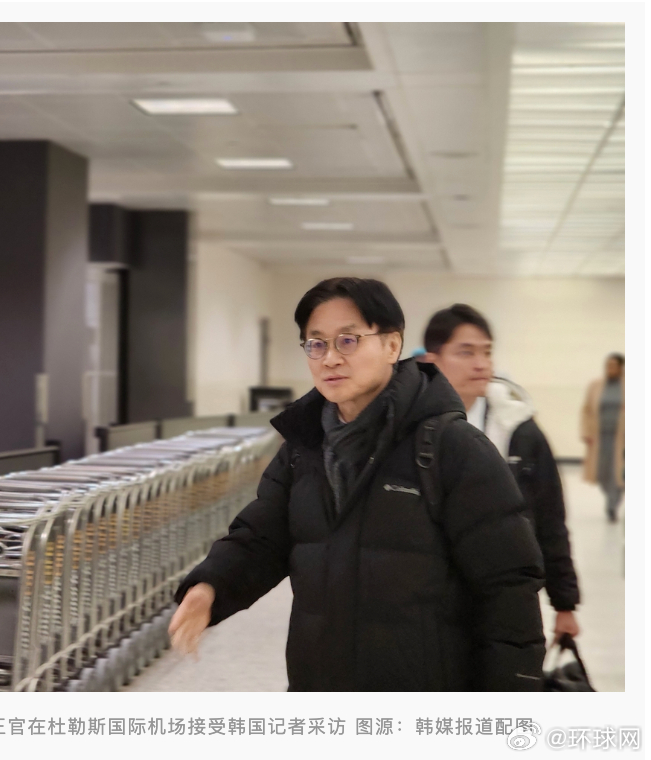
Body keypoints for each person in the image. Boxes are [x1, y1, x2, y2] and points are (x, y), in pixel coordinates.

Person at [168, 278, 546, 691]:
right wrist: (211, 586)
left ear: (392, 345)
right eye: (316, 344)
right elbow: (261, 537)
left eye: (348, 341)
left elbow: (507, 584)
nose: (330, 358)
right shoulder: (304, 448)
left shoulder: (453, 448)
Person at [423, 304, 581, 646]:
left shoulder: (520, 431)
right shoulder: (410, 431)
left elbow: (550, 520)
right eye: (466, 352)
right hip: (429, 602)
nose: (481, 364)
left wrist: (564, 603)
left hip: (506, 597)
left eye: (487, 352)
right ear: (432, 361)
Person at [581, 354, 625, 522]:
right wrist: (586, 432)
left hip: (621, 438)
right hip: (600, 437)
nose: (610, 368)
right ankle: (611, 496)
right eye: (608, 365)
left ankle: (612, 504)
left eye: (613, 365)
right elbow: (586, 410)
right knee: (602, 473)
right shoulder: (596, 386)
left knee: (617, 473)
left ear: (621, 368)